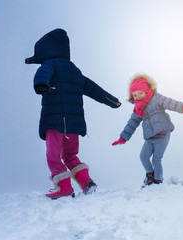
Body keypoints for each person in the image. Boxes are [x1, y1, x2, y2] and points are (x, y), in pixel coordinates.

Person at [26, 28, 121, 199]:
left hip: (55, 120)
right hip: (74, 124)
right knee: (70, 154)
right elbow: (93, 88)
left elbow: (42, 73)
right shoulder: (74, 70)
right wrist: (112, 100)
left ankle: (64, 187)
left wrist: (41, 84)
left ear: (47, 51)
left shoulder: (50, 64)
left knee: (53, 155)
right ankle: (87, 182)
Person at [112, 73, 183, 187]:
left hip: (162, 134)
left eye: (140, 93)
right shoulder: (138, 108)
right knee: (143, 156)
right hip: (150, 137)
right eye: (135, 95)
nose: (138, 96)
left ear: (146, 90)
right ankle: (150, 176)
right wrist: (123, 138)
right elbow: (132, 122)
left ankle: (158, 181)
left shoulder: (156, 98)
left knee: (156, 160)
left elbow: (171, 103)